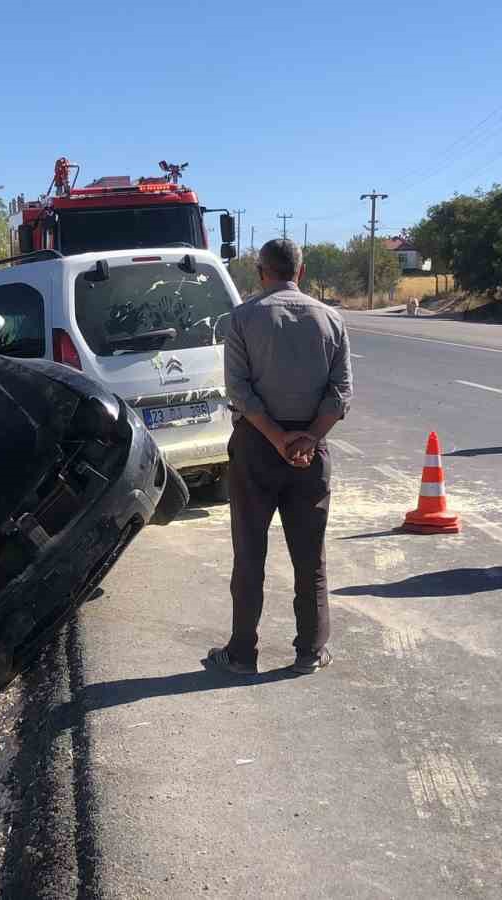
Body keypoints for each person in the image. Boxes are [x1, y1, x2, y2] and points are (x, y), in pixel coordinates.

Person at [205, 238, 351, 677]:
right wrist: (306, 441)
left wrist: (276, 439)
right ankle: (310, 650)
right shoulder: (331, 319)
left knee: (250, 553)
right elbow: (340, 394)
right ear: (300, 272)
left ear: (260, 271)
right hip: (310, 450)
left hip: (256, 448)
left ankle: (242, 654)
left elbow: (240, 392)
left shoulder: (243, 317)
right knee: (311, 557)